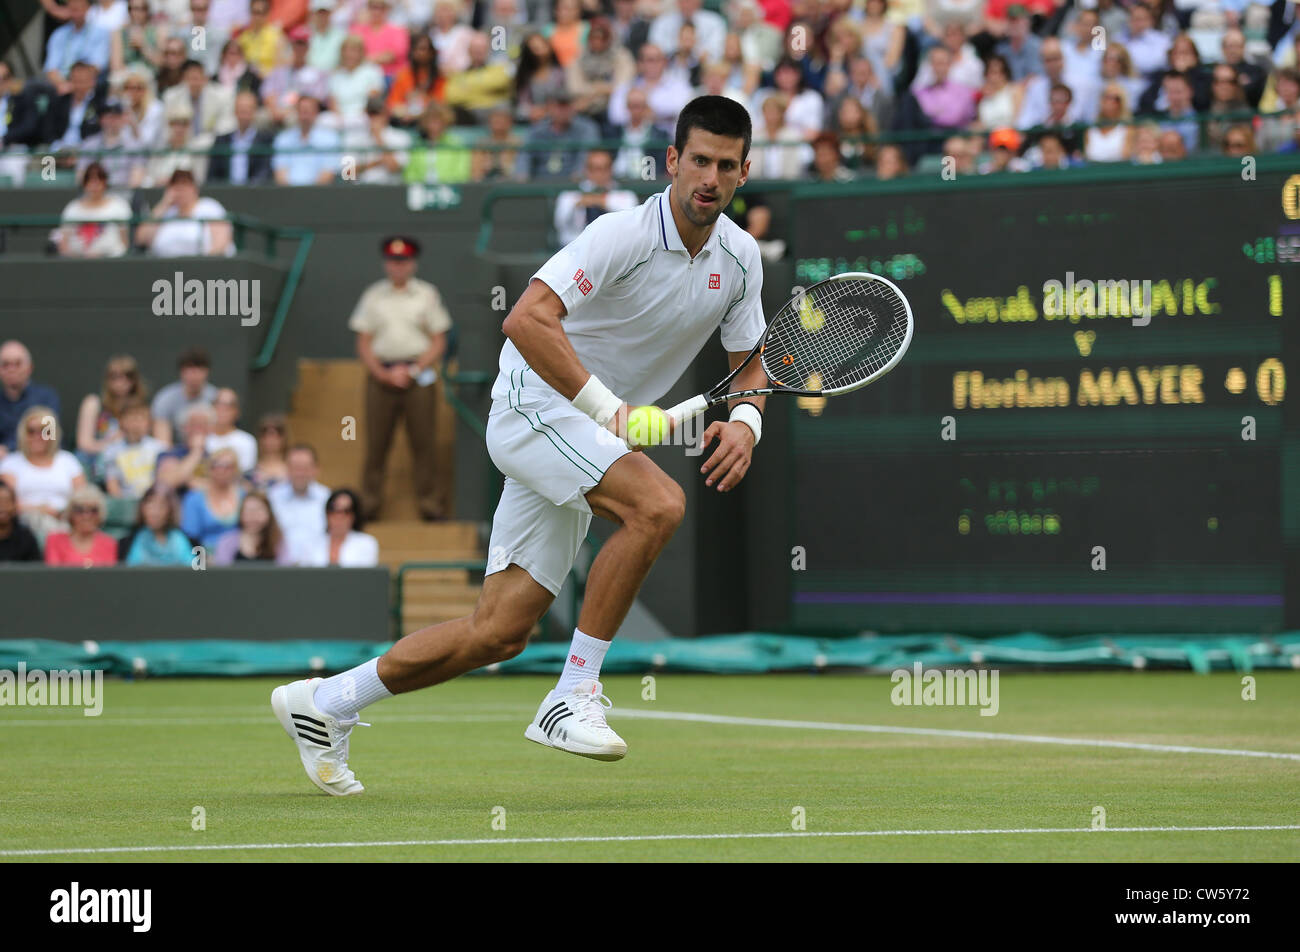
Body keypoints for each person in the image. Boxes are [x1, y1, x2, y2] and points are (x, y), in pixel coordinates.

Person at [270, 95, 768, 794]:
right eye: (698, 161)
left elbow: (749, 365)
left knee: (498, 631)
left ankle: (325, 704)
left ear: (744, 171)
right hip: (533, 405)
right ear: (672, 162)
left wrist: (745, 425)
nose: (709, 178)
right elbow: (527, 320)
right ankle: (573, 692)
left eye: (725, 165)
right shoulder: (618, 234)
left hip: (584, 434)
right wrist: (610, 410)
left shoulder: (741, 261)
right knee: (657, 505)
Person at [349, 236, 450, 522]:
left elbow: (439, 341)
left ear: (412, 264)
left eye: (403, 261)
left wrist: (414, 370)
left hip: (418, 376)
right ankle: (368, 506)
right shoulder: (373, 296)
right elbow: (363, 341)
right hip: (380, 376)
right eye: (393, 262)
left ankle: (430, 505)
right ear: (386, 264)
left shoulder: (427, 294)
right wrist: (382, 373)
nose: (398, 267)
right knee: (376, 443)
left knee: (424, 443)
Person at [0, 406, 87, 544]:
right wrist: (43, 510)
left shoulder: (68, 460)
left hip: (65, 521)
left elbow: (82, 497)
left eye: (44, 431)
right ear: (23, 433)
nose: (37, 436)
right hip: (24, 523)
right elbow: (6, 503)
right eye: (31, 431)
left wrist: (63, 513)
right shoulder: (10, 463)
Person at [135, 168, 235, 257]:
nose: (180, 189)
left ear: (194, 188)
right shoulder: (165, 212)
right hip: (164, 273)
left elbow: (221, 244)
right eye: (175, 185)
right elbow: (141, 239)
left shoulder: (209, 207)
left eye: (185, 184)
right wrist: (164, 204)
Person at [554, 149, 639, 246]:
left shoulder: (625, 194)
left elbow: (631, 222)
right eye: (593, 168)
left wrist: (602, 202)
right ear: (586, 170)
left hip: (614, 249)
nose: (599, 174)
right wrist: (576, 205)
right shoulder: (570, 194)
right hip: (575, 248)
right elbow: (560, 224)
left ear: (611, 169)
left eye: (604, 168)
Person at [78, 358, 150, 474]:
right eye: (115, 377)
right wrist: (113, 443)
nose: (121, 382)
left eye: (128, 376)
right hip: (96, 464)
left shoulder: (141, 407)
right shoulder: (93, 403)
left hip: (131, 464)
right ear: (107, 380)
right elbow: (84, 444)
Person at [517, 89, 601, 182]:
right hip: (539, 185)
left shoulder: (586, 128)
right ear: (549, 108)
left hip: (573, 186)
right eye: (559, 106)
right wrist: (523, 181)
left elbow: (585, 160)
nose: (563, 110)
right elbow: (524, 160)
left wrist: (574, 184)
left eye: (567, 105)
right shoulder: (537, 130)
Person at [56, 161, 133, 259]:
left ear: (105, 182)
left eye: (99, 180)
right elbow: (64, 244)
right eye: (90, 181)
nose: (94, 185)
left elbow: (125, 242)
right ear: (84, 184)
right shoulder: (72, 208)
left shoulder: (119, 206)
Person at [267, 442, 329, 560]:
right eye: (295, 467)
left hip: (318, 569)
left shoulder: (327, 499)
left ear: (316, 469)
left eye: (305, 468)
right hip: (280, 568)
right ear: (286, 468)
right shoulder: (272, 498)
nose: (300, 473)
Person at [1, 342, 62, 459]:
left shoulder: (47, 398)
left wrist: (8, 448)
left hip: (43, 461)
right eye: (5, 364)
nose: (11, 369)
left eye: (17, 364)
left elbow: (50, 434)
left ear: (29, 368)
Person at [150, 347, 218, 446]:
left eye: (199, 369)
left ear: (207, 371)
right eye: (190, 369)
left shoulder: (216, 397)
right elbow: (162, 442)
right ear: (181, 372)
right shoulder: (166, 399)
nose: (195, 375)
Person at [180, 446, 244, 549]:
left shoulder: (244, 496)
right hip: (205, 557)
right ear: (209, 468)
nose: (221, 470)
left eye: (227, 466)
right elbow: (190, 537)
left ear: (235, 470)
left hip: (239, 558)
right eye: (216, 465)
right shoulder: (194, 499)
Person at [208, 89, 277, 184]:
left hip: (255, 194)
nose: (244, 114)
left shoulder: (266, 140)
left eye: (248, 109)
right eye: (241, 109)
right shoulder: (221, 141)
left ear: (255, 111)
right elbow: (212, 175)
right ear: (235, 111)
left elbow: (265, 172)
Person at [102, 399, 167, 499]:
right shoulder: (112, 451)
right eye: (132, 419)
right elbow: (112, 484)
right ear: (121, 421)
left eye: (141, 419)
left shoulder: (159, 448)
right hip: (126, 501)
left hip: (154, 501)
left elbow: (164, 480)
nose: (136, 424)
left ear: (149, 423)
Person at [75, 99, 145, 189]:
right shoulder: (89, 144)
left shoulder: (134, 145)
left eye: (116, 116)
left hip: (124, 195)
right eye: (108, 116)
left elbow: (136, 179)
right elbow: (80, 177)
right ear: (100, 119)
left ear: (123, 118)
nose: (112, 121)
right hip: (95, 195)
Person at [272, 95, 340, 185]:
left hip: (319, 195)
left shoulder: (330, 138)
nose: (305, 116)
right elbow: (280, 174)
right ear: (296, 112)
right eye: (302, 111)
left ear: (316, 112)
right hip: (288, 195)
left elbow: (328, 174)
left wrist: (309, 195)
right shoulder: (283, 139)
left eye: (308, 111)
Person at [120, 483, 194, 564]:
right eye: (150, 505)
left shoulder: (178, 539)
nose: (154, 512)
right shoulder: (137, 538)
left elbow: (191, 568)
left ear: (170, 510)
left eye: (161, 506)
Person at [44, 486, 118, 566]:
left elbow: (109, 575)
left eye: (93, 510)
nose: (86, 516)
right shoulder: (55, 540)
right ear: (71, 514)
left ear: (100, 514)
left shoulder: (109, 543)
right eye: (80, 510)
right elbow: (53, 574)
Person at [213, 490, 292, 563]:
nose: (253, 516)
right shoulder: (227, 541)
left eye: (258, 510)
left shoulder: (278, 542)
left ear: (269, 514)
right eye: (248, 511)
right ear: (241, 514)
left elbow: (285, 569)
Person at [402, 101, 470, 184]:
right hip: (420, 191)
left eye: (438, 121)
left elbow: (461, 174)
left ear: (445, 122)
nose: (433, 125)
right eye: (430, 121)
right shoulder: (417, 146)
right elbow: (409, 174)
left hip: (448, 190)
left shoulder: (456, 144)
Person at [205, 388, 258, 473]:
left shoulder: (247, 441)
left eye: (228, 405)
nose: (222, 409)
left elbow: (246, 475)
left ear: (237, 412)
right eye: (218, 404)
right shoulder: (202, 438)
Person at [1084, 83, 1134, 162]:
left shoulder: (1128, 129)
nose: (1110, 102)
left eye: (1115, 99)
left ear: (1122, 103)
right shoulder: (1090, 130)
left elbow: (1126, 157)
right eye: (1106, 97)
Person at [0, 482, 42, 562]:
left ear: (15, 505)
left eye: (6, 501)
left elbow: (36, 570)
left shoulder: (26, 537)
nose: (2, 506)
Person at [247, 413, 291, 489]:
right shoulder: (251, 467)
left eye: (276, 436)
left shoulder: (293, 469)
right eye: (266, 436)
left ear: (284, 438)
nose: (270, 441)